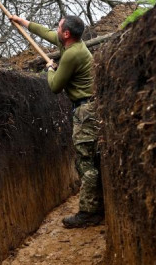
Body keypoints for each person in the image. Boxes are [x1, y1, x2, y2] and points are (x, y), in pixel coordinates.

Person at [9, 14, 103, 228]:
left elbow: (54, 87)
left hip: (85, 110)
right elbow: (47, 34)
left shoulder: (72, 55)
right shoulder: (72, 44)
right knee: (88, 159)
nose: (56, 30)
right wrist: (23, 23)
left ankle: (90, 212)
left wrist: (50, 70)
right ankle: (97, 205)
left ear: (67, 34)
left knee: (85, 162)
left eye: (59, 27)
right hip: (87, 107)